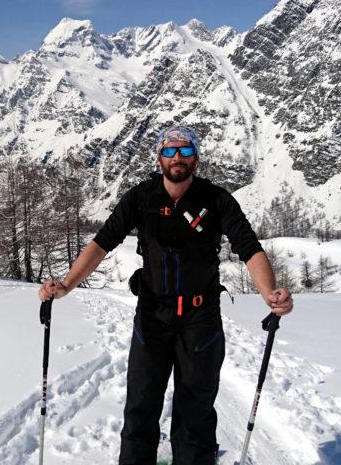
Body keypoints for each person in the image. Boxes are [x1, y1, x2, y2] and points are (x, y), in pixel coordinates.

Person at [38, 125, 293, 465]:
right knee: (141, 408)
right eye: (170, 151)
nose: (177, 157)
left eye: (185, 151)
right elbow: (103, 242)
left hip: (200, 321)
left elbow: (250, 249)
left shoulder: (216, 200)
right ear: (158, 157)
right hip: (152, 316)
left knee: (195, 415)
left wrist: (270, 294)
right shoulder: (141, 198)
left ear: (196, 159)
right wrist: (67, 285)